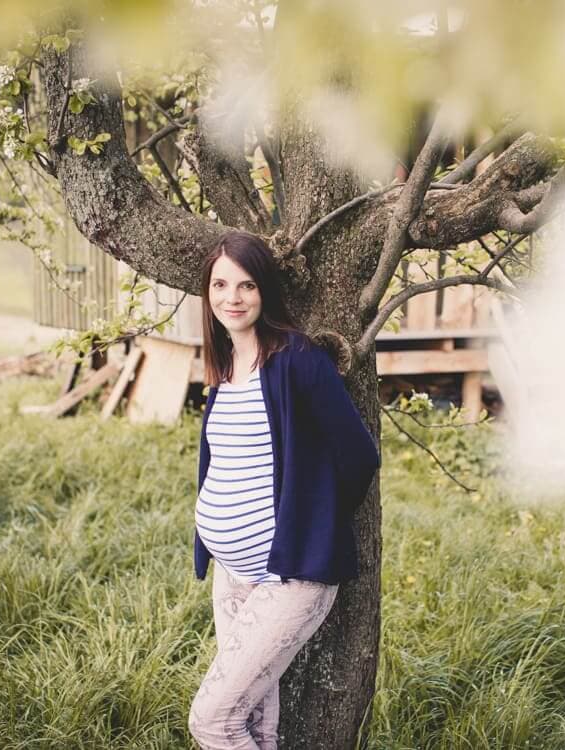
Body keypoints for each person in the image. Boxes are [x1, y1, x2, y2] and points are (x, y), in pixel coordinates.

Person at [187, 231, 380, 750]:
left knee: (213, 720)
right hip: (233, 575)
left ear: (265, 291)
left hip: (287, 574)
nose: (233, 297)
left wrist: (311, 521)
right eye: (221, 284)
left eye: (247, 285)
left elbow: (359, 455)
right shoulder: (224, 368)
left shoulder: (297, 360)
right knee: (253, 724)